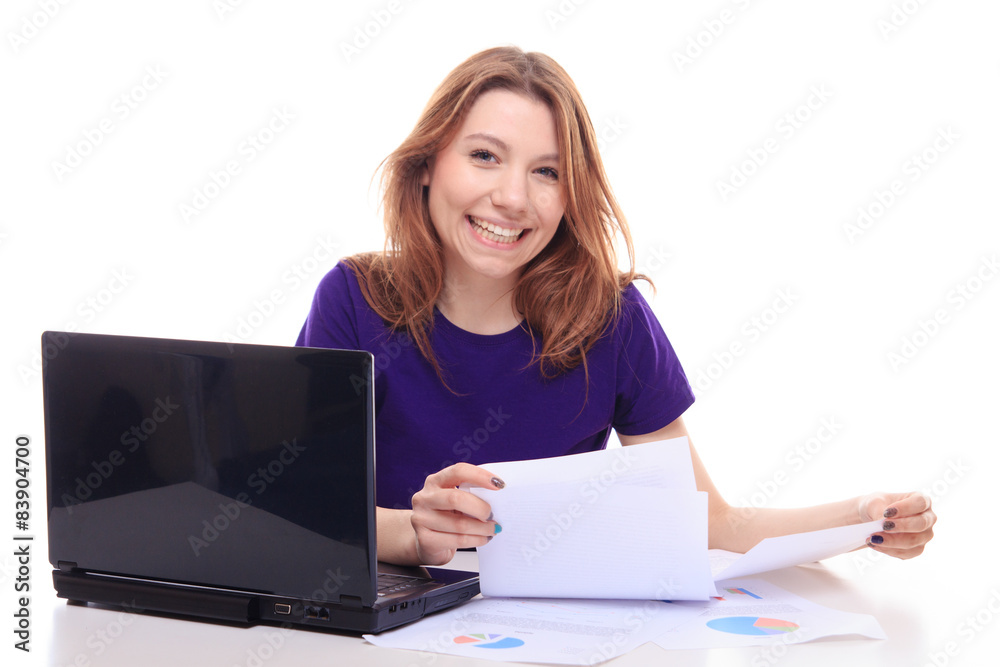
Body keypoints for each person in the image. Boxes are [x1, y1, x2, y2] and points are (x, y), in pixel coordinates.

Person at [296, 46, 935, 567]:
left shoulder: (610, 318)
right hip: (375, 625)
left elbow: (710, 522)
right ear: (428, 165)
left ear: (572, 194)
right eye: (485, 156)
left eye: (547, 172)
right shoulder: (356, 300)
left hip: (541, 631)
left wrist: (861, 518)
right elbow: (303, 503)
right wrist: (416, 533)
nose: (512, 197)